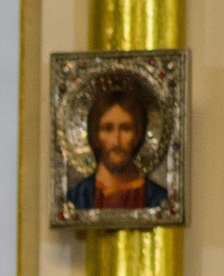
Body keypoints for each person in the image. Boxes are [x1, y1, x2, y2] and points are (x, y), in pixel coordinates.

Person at [66, 79, 168, 212]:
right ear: (95, 135)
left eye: (126, 128)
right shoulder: (77, 199)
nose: (116, 141)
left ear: (138, 134)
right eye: (107, 129)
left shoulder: (158, 199)